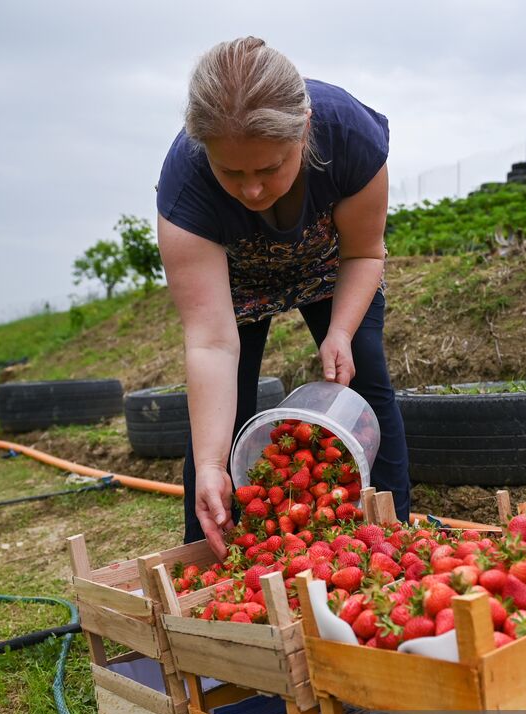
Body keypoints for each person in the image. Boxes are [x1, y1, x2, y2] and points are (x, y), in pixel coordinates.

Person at [156, 36, 411, 558]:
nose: (252, 190)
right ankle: (213, 561)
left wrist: (339, 332)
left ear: (306, 130)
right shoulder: (185, 189)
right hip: (236, 276)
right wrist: (210, 464)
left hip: (327, 259)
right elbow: (210, 342)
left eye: (269, 168)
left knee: (364, 375)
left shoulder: (350, 138)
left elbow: (363, 253)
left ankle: (392, 540)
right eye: (232, 172)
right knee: (225, 418)